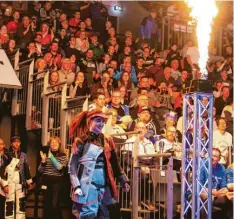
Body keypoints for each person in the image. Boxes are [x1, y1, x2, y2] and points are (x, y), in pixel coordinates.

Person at [69, 109, 130, 219]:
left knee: (105, 213)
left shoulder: (107, 140)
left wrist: (123, 180)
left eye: (103, 121)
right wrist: (76, 185)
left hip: (105, 184)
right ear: (89, 122)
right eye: (98, 120)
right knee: (89, 213)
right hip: (88, 185)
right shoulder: (81, 141)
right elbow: (72, 165)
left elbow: (115, 163)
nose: (101, 124)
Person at [38, 136, 67, 219]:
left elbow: (60, 168)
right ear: (49, 145)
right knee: (47, 205)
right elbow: (40, 170)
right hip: (46, 182)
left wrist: (51, 157)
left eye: (56, 142)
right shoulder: (46, 155)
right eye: (52, 143)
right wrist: (43, 161)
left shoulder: (62, 155)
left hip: (56, 183)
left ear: (59, 144)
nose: (54, 144)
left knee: (55, 204)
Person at [4, 136, 33, 219]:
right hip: (10, 181)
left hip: (20, 181)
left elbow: (26, 169)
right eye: (14, 142)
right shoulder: (6, 155)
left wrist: (29, 182)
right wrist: (5, 184)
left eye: (18, 142)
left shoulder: (23, 155)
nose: (17, 143)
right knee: (9, 201)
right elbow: (3, 170)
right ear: (11, 143)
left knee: (21, 202)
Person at [0, 138, 11, 219]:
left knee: (2, 208)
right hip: (2, 183)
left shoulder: (8, 156)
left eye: (1, 144)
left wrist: (5, 184)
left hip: (5, 184)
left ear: (4, 145)